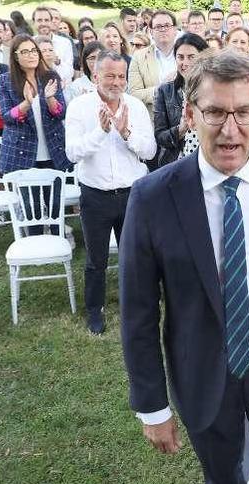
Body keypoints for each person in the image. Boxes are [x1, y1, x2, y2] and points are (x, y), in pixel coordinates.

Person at [120, 49, 249, 484]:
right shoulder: (152, 198)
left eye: (244, 112)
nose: (230, 130)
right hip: (205, 376)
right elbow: (137, 313)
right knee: (224, 483)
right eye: (214, 112)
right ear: (191, 114)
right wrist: (152, 407)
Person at [65, 50, 156, 334]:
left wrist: (126, 133)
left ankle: (139, 304)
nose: (116, 82)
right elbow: (72, 153)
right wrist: (101, 132)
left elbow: (150, 150)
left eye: (121, 76)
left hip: (132, 194)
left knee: (136, 255)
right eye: (110, 76)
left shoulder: (136, 107)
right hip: (96, 195)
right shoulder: (79, 108)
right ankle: (95, 309)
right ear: (95, 76)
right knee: (96, 259)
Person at [0, 34, 71, 177]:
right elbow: (6, 117)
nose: (31, 55)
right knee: (29, 199)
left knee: (54, 198)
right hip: (21, 152)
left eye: (34, 50)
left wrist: (50, 99)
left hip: (53, 149)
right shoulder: (5, 81)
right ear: (15, 57)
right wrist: (27, 103)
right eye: (25, 52)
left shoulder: (50, 76)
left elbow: (61, 113)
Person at [153, 34, 208, 168]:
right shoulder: (165, 91)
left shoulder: (215, 90)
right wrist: (181, 129)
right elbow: (160, 136)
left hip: (209, 160)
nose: (185, 63)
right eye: (180, 57)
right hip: (176, 162)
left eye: (191, 57)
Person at [128, 10, 179, 118]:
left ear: (175, 30)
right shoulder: (139, 57)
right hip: (153, 122)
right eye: (158, 26)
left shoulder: (188, 54)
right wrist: (162, 88)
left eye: (167, 25)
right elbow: (133, 94)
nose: (163, 29)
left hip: (185, 122)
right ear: (151, 31)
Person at [31, 6, 74, 84]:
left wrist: (57, 62)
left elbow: (70, 74)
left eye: (46, 20)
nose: (43, 23)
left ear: (51, 22)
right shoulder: (30, 43)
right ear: (34, 23)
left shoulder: (65, 43)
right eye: (39, 20)